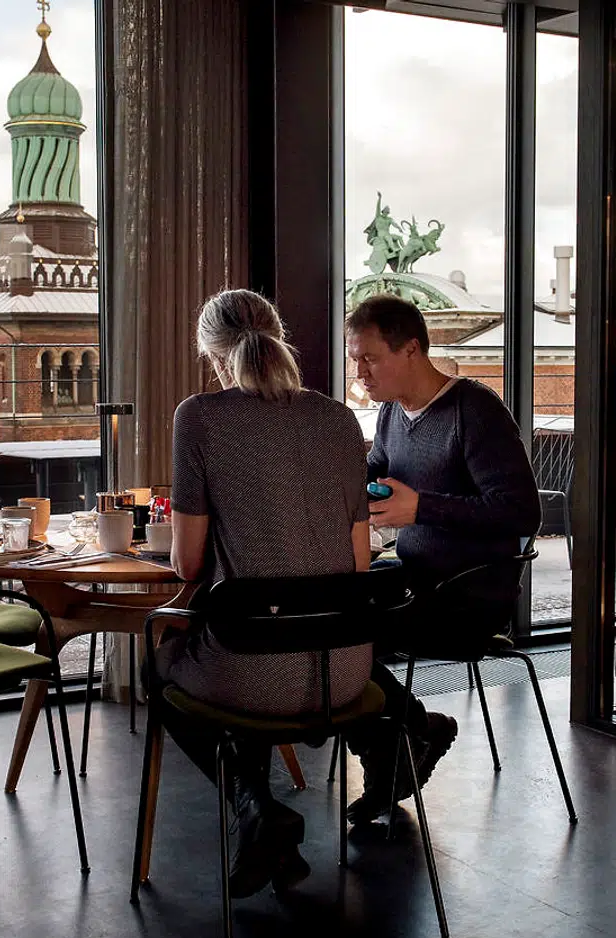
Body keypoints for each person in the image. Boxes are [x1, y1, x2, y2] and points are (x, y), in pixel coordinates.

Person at [160, 288, 373, 896]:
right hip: (344, 671)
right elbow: (357, 563)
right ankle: (265, 830)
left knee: (169, 668)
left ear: (213, 355)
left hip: (250, 670)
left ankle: (256, 808)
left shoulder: (198, 417)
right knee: (239, 647)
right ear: (277, 336)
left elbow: (188, 563)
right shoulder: (337, 418)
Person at [343, 293, 542, 824]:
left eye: (370, 358)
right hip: (416, 580)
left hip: (469, 597)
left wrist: (421, 507)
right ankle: (407, 738)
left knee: (342, 634)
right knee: (326, 618)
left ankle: (400, 744)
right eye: (354, 359)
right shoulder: (390, 413)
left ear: (412, 349)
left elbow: (522, 512)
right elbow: (378, 479)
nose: (359, 372)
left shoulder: (474, 411)